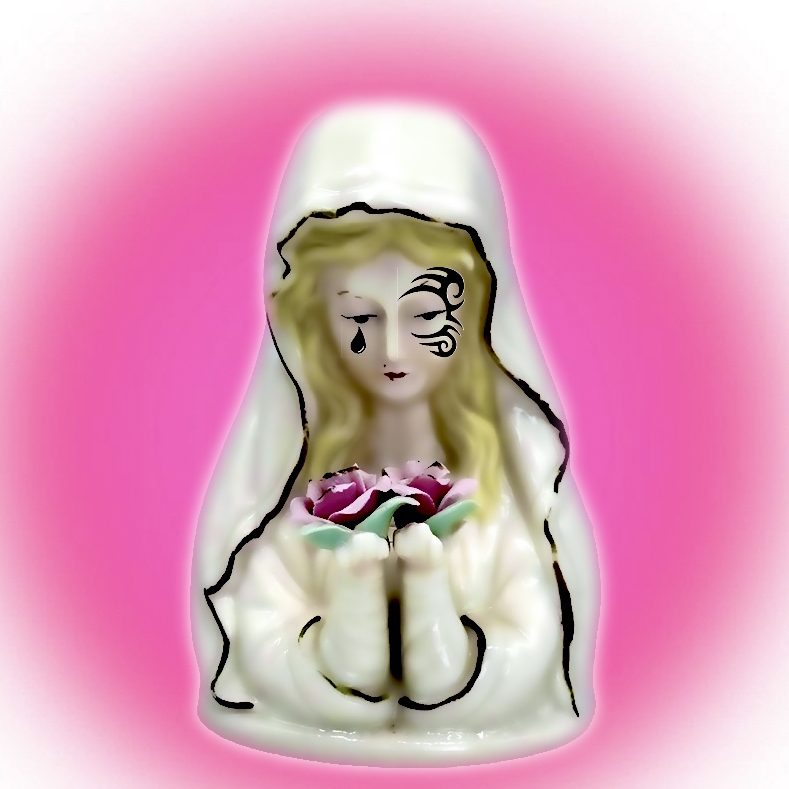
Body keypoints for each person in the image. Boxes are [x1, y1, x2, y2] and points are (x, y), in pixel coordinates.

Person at [191, 102, 598, 765]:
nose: (392, 350)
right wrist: (347, 617)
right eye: (360, 317)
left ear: (479, 312)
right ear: (313, 321)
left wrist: (436, 605)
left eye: (425, 315)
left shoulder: (507, 499)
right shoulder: (282, 498)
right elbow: (259, 636)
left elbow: (532, 641)